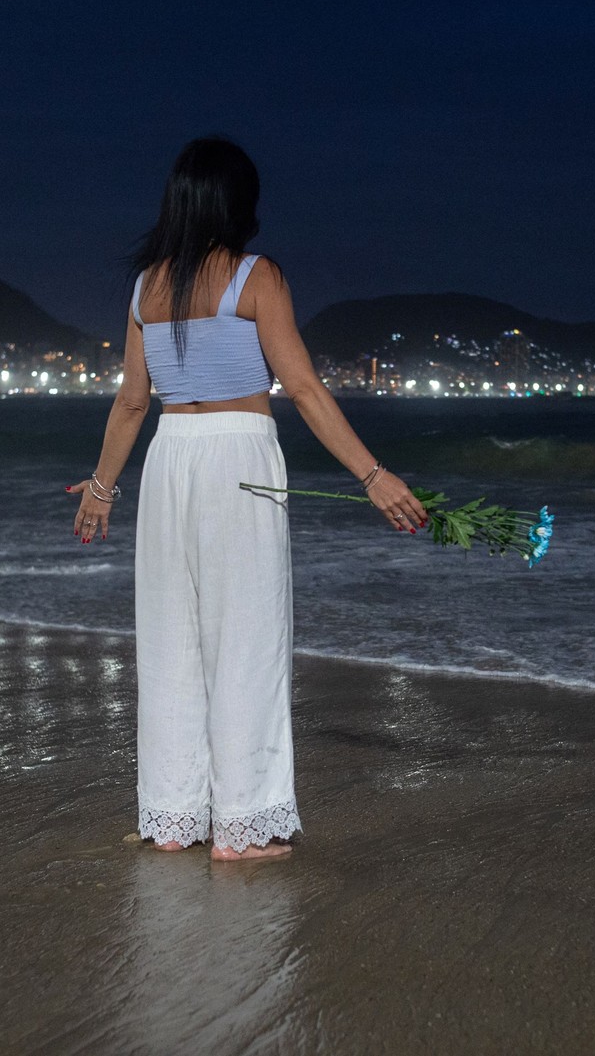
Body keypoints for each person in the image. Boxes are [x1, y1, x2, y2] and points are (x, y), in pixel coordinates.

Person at [69, 137, 429, 862]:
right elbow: (302, 389)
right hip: (240, 454)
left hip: (172, 458)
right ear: (238, 201)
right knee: (247, 634)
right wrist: (372, 474)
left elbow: (133, 403)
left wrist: (102, 490)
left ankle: (172, 817)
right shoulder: (256, 276)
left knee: (172, 635)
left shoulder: (145, 286)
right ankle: (245, 823)